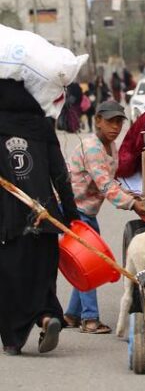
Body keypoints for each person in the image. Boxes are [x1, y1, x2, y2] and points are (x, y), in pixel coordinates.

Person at [0, 79, 80, 355]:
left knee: (10, 279)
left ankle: (13, 339)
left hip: (9, 222)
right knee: (41, 276)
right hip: (45, 217)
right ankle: (47, 316)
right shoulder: (42, 126)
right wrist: (71, 215)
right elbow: (60, 174)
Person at [63, 100, 145, 333]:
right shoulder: (92, 147)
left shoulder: (110, 147)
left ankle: (72, 315)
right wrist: (133, 204)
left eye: (119, 122)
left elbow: (114, 182)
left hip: (88, 211)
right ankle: (90, 319)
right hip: (74, 211)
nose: (115, 127)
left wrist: (135, 194)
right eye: (110, 121)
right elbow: (105, 185)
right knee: (89, 263)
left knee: (87, 262)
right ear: (97, 121)